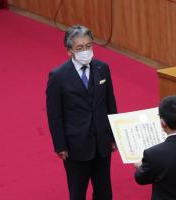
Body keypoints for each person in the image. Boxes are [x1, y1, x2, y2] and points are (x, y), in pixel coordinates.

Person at [46, 25, 117, 200]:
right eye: (79, 48)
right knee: (77, 193)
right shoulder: (58, 76)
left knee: (104, 192)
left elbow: (110, 104)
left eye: (88, 46)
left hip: (102, 144)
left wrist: (114, 136)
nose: (85, 51)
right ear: (69, 51)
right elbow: (54, 115)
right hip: (75, 146)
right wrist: (60, 145)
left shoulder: (102, 68)